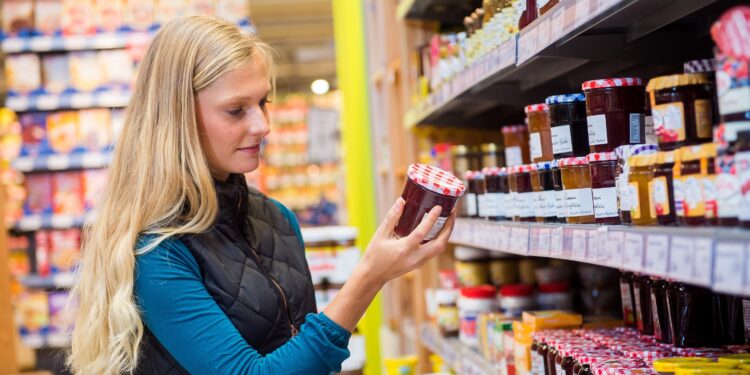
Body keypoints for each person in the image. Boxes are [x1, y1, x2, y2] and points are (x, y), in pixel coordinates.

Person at [67, 15, 455, 375]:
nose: (263, 125)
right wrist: (370, 277)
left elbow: (306, 355)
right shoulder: (157, 250)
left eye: (263, 102)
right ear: (178, 117)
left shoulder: (277, 220)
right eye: (236, 110)